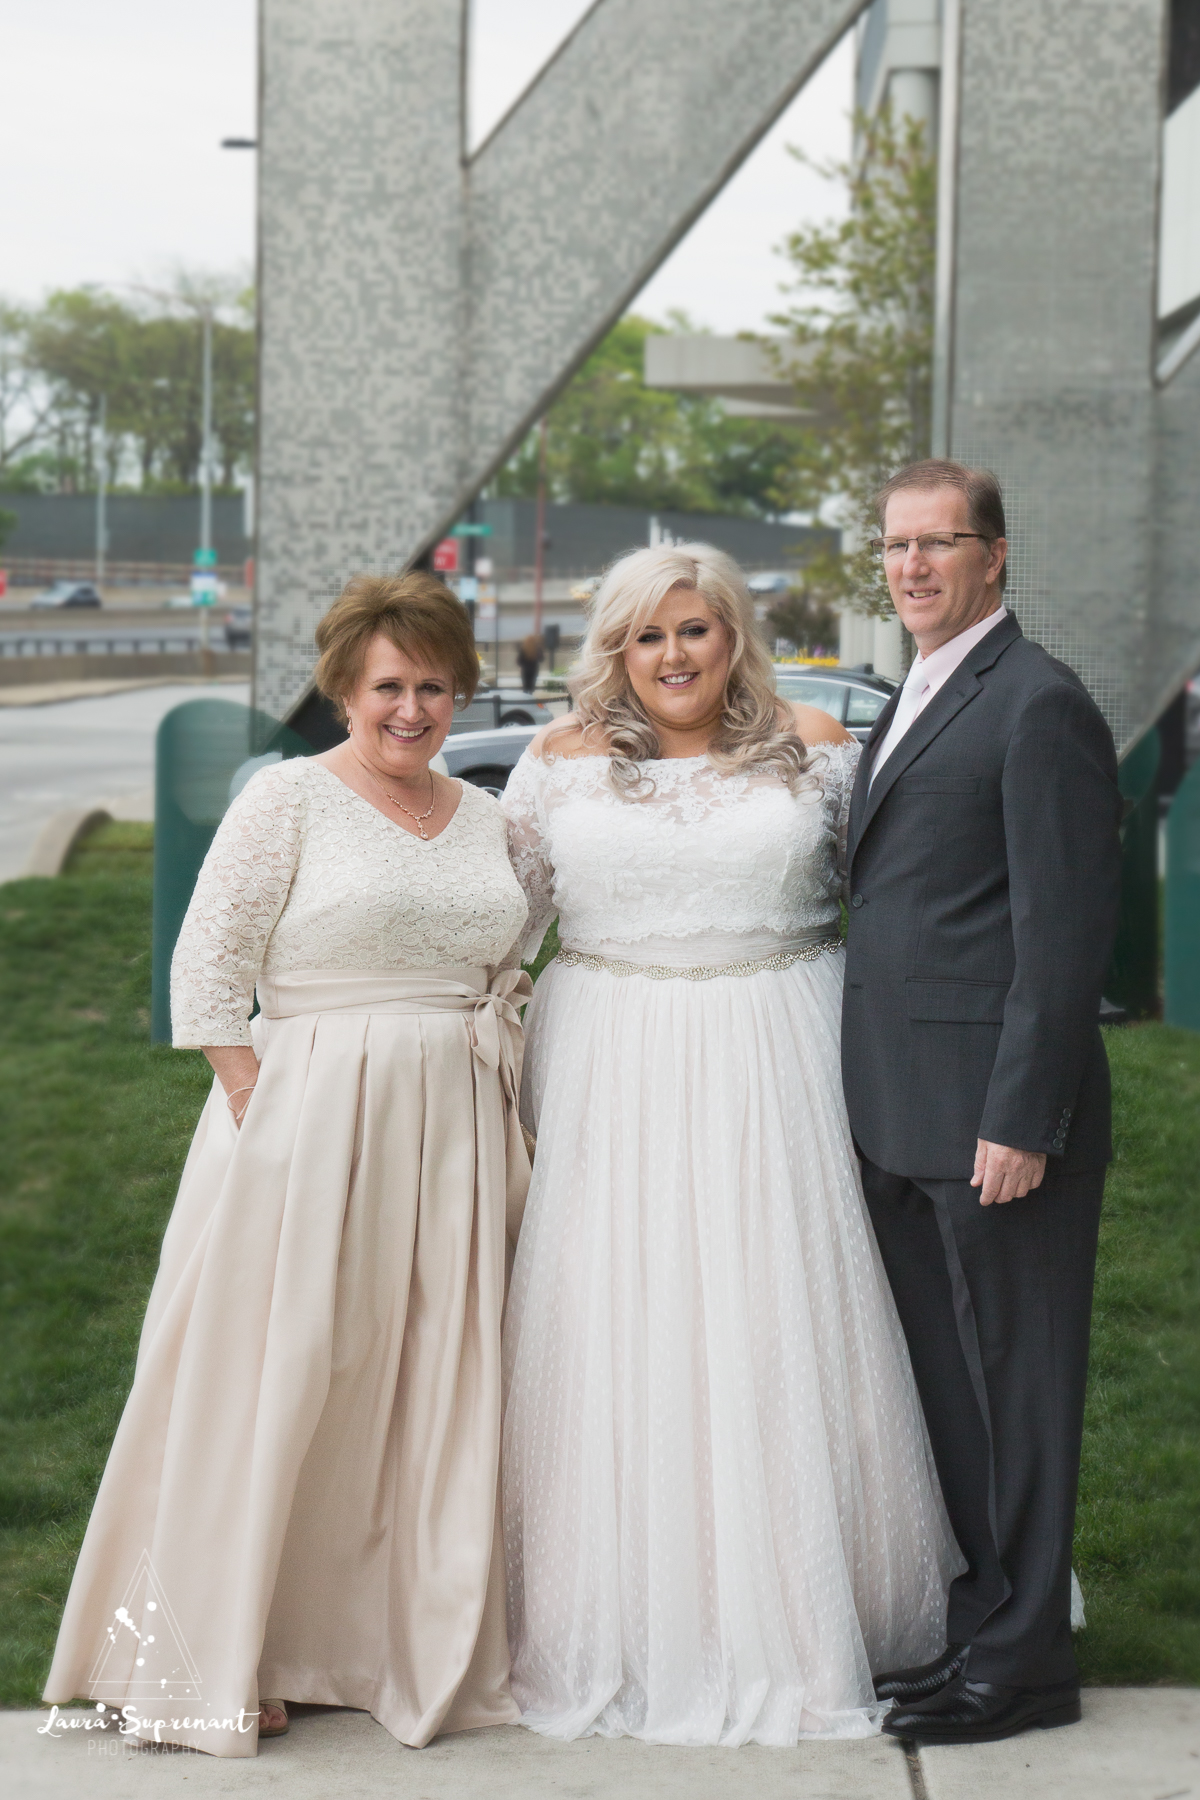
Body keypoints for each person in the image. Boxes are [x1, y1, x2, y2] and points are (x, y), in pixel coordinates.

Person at [43, 572, 531, 1756]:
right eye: (386, 687)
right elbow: (208, 969)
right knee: (281, 1372)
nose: (409, 709)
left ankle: (377, 1640)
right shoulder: (288, 801)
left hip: (454, 1122)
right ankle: (229, 1643)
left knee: (421, 1382)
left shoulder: (489, 816)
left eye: (431, 685)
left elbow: (517, 944)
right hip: (308, 1118)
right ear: (343, 692)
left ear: (460, 689)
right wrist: (265, 1109)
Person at [500, 543, 962, 1746]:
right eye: (647, 636)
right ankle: (624, 1607)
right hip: (614, 1063)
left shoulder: (814, 742)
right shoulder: (557, 763)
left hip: (783, 1056)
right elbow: (500, 923)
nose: (672, 657)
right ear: (615, 647)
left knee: (783, 1313)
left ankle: (818, 1602)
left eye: (695, 630)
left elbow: (910, 894)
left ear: (734, 634)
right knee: (623, 1321)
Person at [842, 461, 1122, 1745]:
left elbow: (1065, 941)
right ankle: (983, 1631)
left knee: (1017, 1386)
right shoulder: (919, 691)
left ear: (996, 556)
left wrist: (1022, 1118)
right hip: (903, 1108)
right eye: (895, 546)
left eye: (938, 544)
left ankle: (1024, 1668)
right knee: (953, 1392)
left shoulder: (1041, 704)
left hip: (993, 1125)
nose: (911, 567)